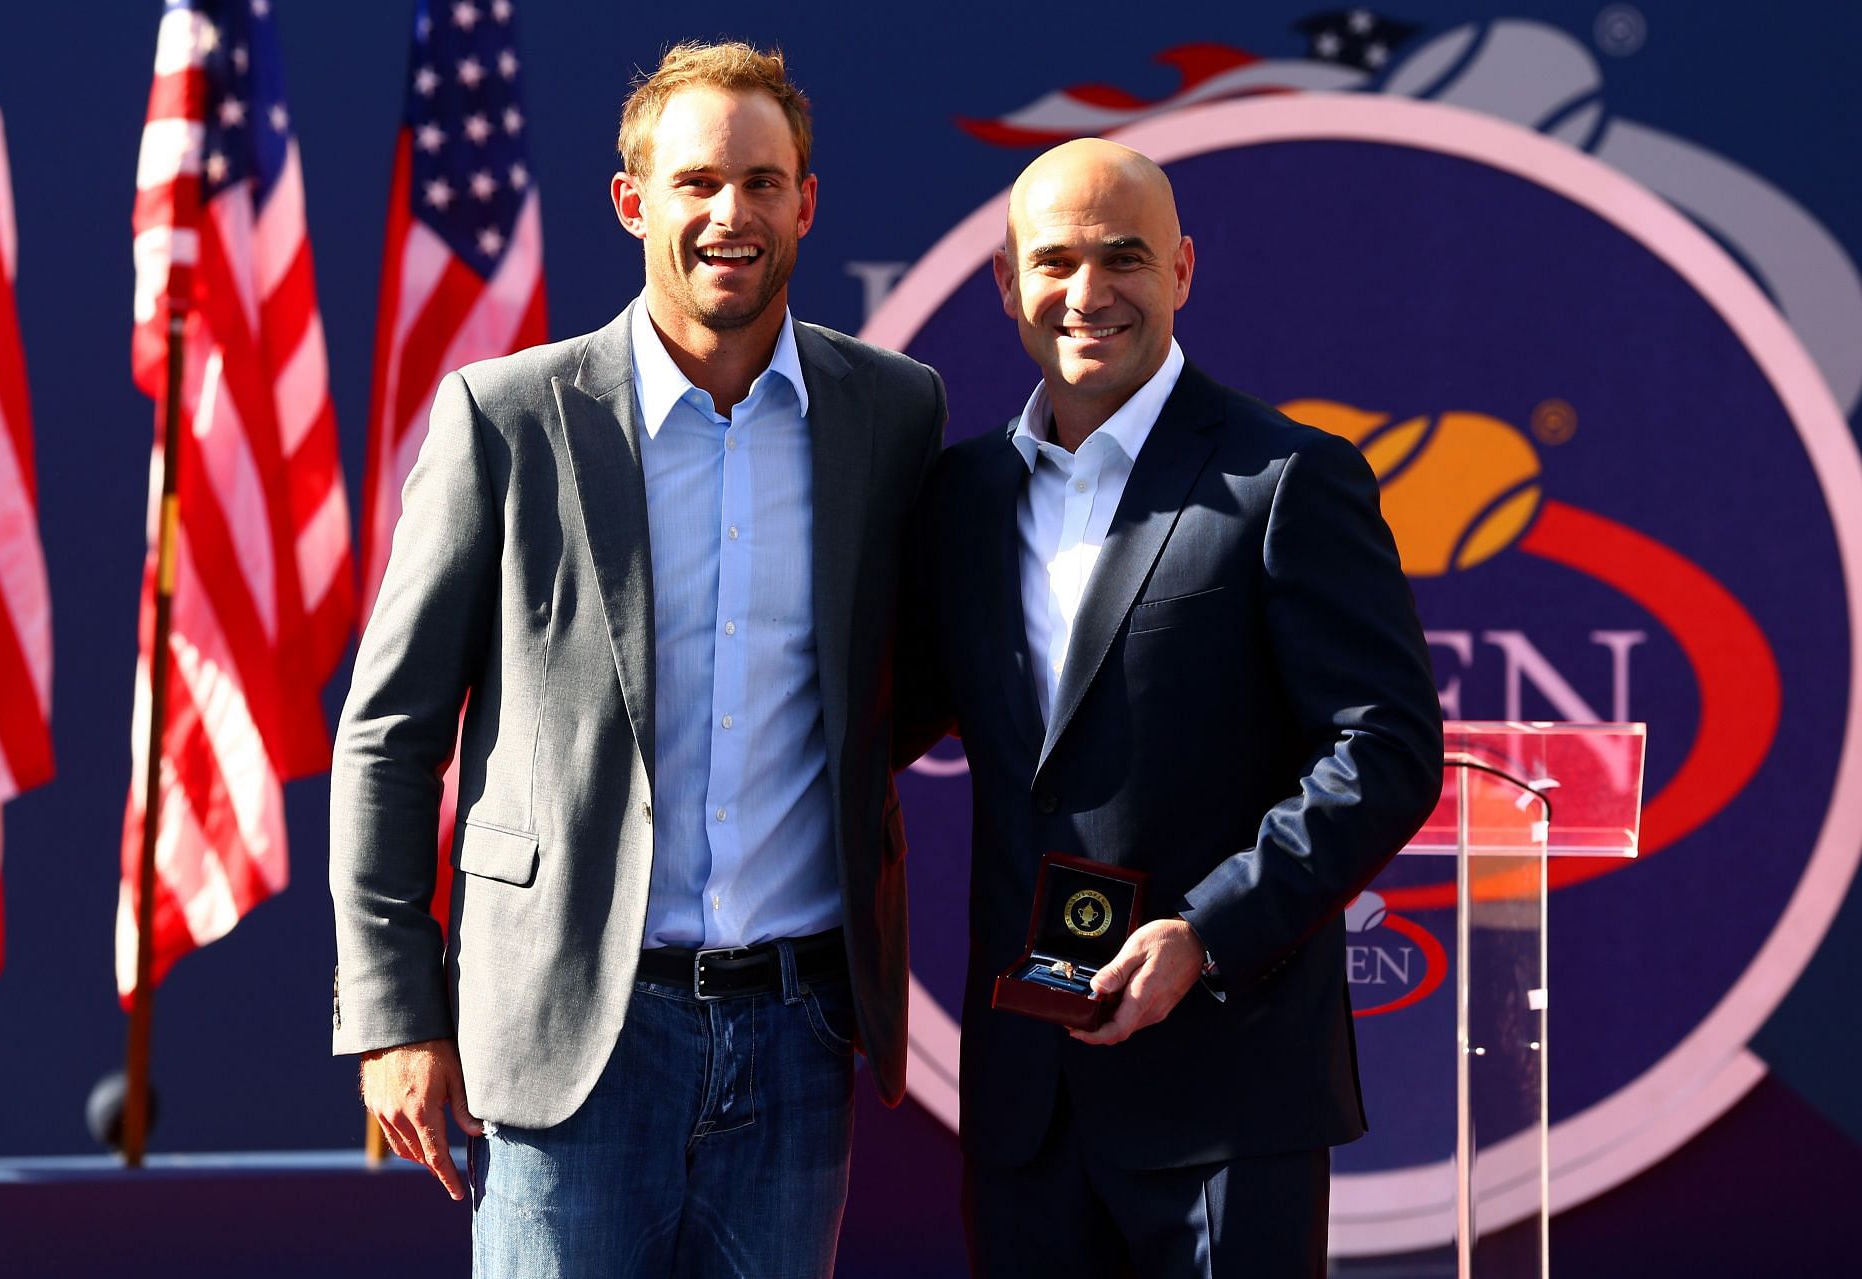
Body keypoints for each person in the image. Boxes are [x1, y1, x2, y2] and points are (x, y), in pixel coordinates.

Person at [331, 41, 944, 1277]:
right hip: (570, 1037)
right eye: (697, 182)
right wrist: (394, 1010)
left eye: (765, 183)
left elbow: (910, 677)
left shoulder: (891, 412)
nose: (732, 214)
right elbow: (389, 733)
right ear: (634, 202)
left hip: (799, 1035)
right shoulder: (503, 416)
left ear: (807, 203)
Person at [897, 138, 1443, 1276]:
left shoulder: (1288, 476)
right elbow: (881, 720)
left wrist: (1207, 932)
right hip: (1026, 1102)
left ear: (1183, 271)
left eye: (1124, 258)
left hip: (1227, 1099)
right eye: (1053, 262)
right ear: (1006, 281)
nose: (1087, 294)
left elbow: (1385, 747)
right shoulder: (958, 498)